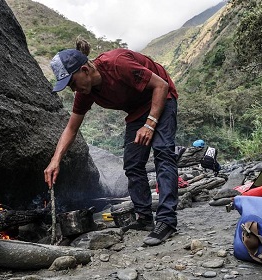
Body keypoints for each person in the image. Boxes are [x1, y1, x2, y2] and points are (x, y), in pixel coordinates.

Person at [43, 43, 179, 246]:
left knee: (163, 153)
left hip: (162, 97)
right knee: (133, 163)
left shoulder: (117, 64)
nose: (73, 90)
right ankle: (144, 218)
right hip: (136, 111)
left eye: (72, 83)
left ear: (85, 70)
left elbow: (161, 85)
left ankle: (167, 220)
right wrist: (55, 161)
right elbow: (71, 128)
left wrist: (150, 125)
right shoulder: (84, 93)